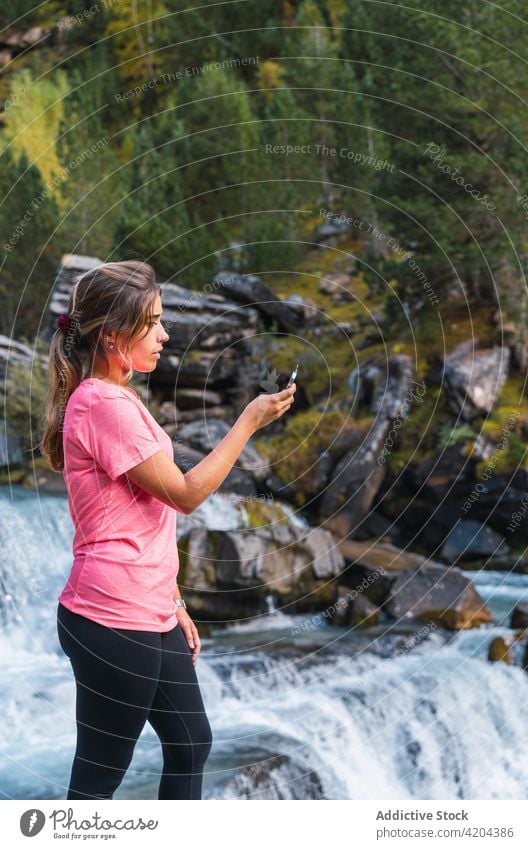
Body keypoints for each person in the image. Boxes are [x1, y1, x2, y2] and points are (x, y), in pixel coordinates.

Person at [39, 260, 296, 800]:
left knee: (190, 743)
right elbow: (183, 495)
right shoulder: (102, 403)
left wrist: (173, 599)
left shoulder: (119, 396)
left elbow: (137, 518)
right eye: (153, 322)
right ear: (112, 335)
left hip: (147, 607)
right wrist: (246, 421)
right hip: (110, 615)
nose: (165, 333)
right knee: (98, 777)